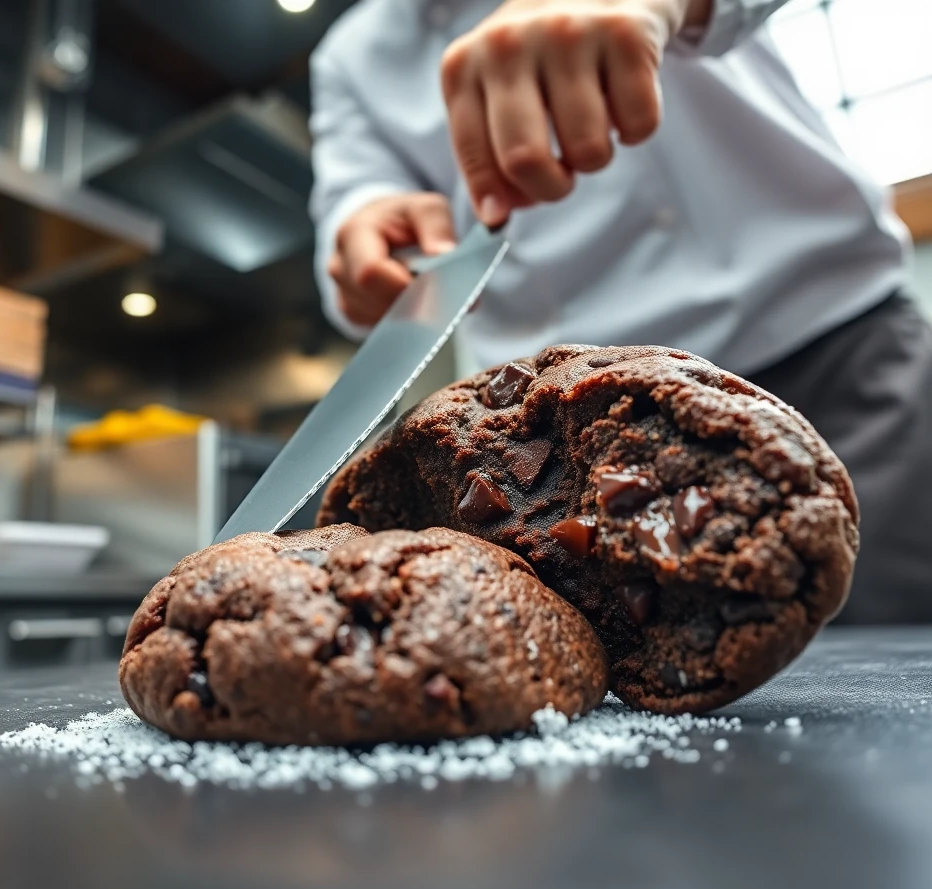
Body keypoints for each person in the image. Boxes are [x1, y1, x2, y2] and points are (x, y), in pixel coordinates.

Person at [307, 0, 932, 623]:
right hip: (566, 456)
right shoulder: (352, 56)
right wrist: (362, 233)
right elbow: (355, 194)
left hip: (843, 359)